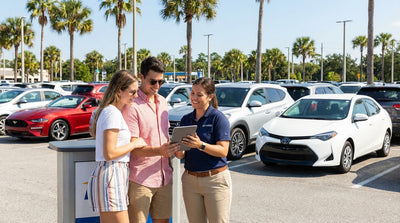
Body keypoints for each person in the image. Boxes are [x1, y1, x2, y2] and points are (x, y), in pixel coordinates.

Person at [122, 56, 179, 223]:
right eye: (153, 82)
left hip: (164, 177)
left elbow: (164, 134)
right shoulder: (132, 105)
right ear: (141, 77)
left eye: (161, 82)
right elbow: (133, 146)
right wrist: (159, 151)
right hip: (141, 180)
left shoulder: (162, 102)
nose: (157, 87)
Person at [87, 70, 147, 223]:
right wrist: (134, 144)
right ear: (119, 90)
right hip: (112, 173)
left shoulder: (110, 111)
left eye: (136, 91)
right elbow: (109, 153)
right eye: (132, 92)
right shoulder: (112, 113)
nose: (135, 96)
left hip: (112, 173)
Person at [176, 77, 232, 223]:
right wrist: (175, 147)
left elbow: (223, 151)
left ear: (210, 97)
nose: (194, 98)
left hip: (215, 181)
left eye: (199, 95)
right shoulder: (186, 119)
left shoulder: (218, 119)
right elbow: (181, 154)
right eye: (192, 93)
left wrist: (201, 145)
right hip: (190, 181)